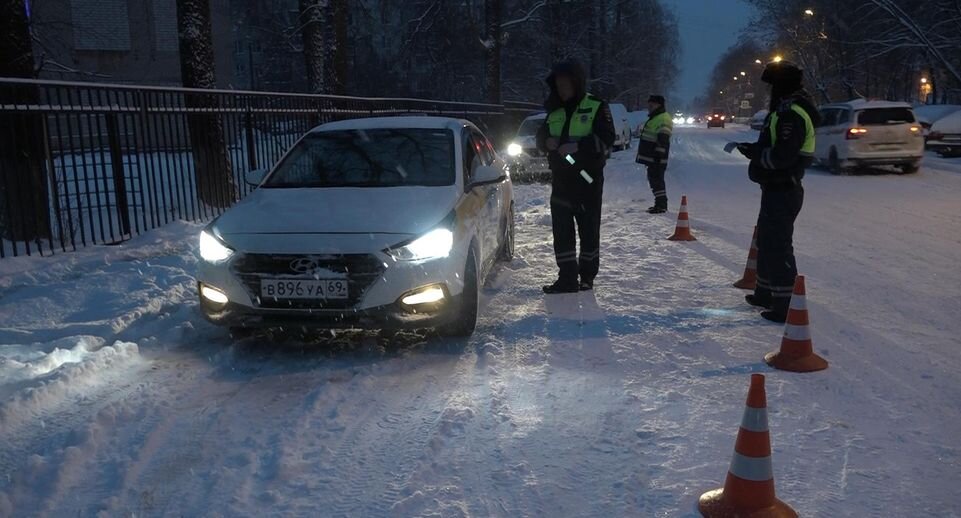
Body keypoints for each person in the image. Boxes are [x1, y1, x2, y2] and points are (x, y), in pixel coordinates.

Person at [735, 61, 821, 323]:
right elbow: (773, 147)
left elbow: (783, 156)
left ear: (781, 85)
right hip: (775, 187)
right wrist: (754, 150)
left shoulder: (791, 113)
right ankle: (765, 293)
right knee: (766, 241)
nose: (769, 92)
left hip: (785, 187)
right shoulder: (782, 111)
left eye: (772, 86)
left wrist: (758, 156)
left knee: (778, 245)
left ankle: (784, 305)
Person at [536, 60, 616, 294]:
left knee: (588, 229)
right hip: (561, 181)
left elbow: (607, 138)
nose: (562, 89)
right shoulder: (554, 110)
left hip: (587, 180)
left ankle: (587, 277)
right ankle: (567, 277)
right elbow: (541, 136)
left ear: (576, 83)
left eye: (566, 85)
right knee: (562, 231)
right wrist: (545, 142)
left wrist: (578, 146)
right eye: (558, 85)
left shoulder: (595, 106)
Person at [635, 95, 673, 214]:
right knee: (654, 180)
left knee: (656, 180)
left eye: (652, 104)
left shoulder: (662, 119)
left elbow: (663, 138)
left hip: (656, 157)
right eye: (649, 104)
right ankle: (659, 203)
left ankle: (661, 205)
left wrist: (658, 155)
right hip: (653, 157)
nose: (649, 106)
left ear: (659, 105)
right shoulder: (657, 117)